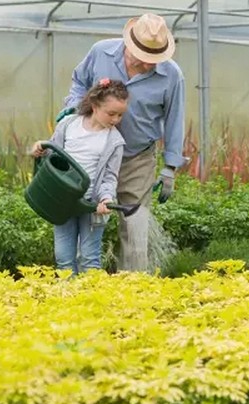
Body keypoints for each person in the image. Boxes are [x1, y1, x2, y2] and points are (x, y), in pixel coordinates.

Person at [56, 13, 186, 272]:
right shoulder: (100, 53)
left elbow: (175, 119)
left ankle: (132, 290)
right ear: (130, 44)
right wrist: (73, 109)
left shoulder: (172, 75)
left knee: (135, 230)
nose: (149, 64)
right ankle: (75, 284)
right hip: (92, 157)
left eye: (155, 59)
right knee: (82, 220)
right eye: (144, 57)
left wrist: (170, 167)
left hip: (136, 160)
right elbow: (80, 81)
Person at [31, 79, 129, 274]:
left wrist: (106, 199)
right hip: (63, 201)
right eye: (111, 114)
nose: (116, 120)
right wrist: (39, 149)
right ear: (94, 106)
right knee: (63, 257)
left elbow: (110, 177)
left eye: (120, 115)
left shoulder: (114, 141)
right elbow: (52, 155)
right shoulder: (68, 125)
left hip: (92, 206)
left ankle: (90, 300)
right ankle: (68, 301)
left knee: (89, 258)